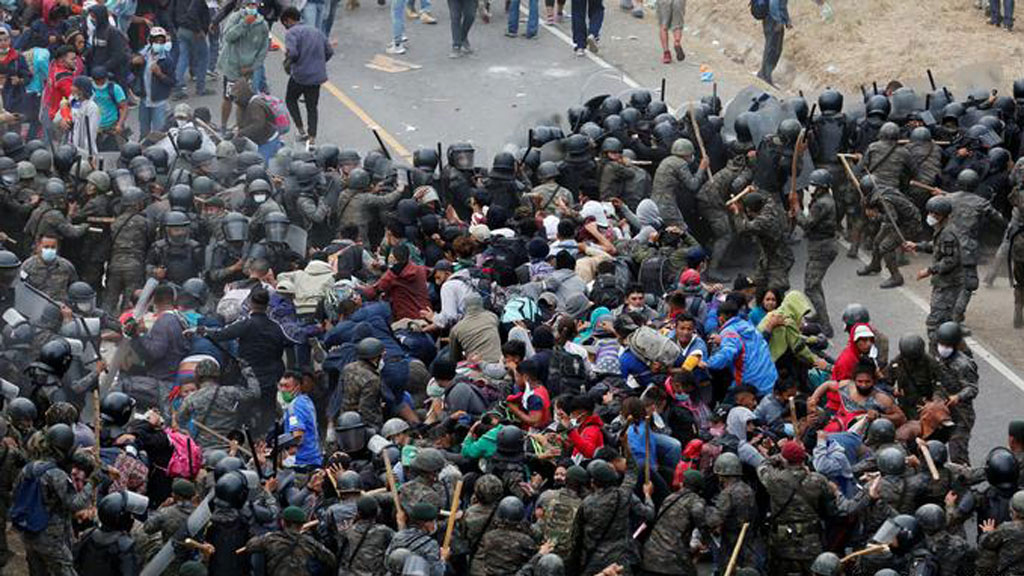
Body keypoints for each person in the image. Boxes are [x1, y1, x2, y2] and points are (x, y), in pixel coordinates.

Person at [902, 195, 963, 345]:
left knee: (935, 325)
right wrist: (917, 246)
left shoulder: (948, 233)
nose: (931, 216)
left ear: (943, 215)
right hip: (944, 283)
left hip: (948, 285)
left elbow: (950, 260)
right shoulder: (942, 229)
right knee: (946, 323)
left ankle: (937, 355)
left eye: (935, 214)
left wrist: (929, 270)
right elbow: (936, 247)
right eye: (930, 213)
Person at [281, 6, 333, 147]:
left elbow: (292, 53)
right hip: (316, 77)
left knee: (290, 99)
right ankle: (312, 138)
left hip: (300, 75)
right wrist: (319, 63)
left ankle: (300, 129)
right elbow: (329, 51)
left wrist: (288, 62)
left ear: (288, 20)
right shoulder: (316, 31)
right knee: (312, 107)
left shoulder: (292, 33)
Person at [218, 0, 270, 129]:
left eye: (254, 5)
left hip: (248, 70)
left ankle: (239, 126)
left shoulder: (262, 24)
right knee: (228, 97)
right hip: (232, 68)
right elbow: (228, 37)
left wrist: (252, 67)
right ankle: (223, 126)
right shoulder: (236, 18)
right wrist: (244, 23)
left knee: (244, 101)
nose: (252, 8)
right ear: (244, 6)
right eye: (249, 5)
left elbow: (263, 49)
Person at [246, 506, 337, 574]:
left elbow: (250, 546)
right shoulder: (309, 542)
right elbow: (331, 559)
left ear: (283, 522)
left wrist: (266, 535)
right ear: (302, 525)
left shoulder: (271, 539)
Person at [135, 27, 176, 139]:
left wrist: (160, 74)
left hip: (159, 102)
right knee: (144, 132)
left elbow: (172, 81)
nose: (158, 44)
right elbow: (132, 71)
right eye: (156, 41)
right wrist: (134, 63)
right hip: (144, 100)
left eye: (161, 41)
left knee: (159, 134)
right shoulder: (143, 55)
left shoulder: (167, 60)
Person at [172, 0, 213, 101]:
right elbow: (192, 14)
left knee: (182, 59)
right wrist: (199, 30)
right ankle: (201, 88)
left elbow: (173, 12)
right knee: (203, 57)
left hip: (182, 28)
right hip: (194, 31)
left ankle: (177, 89)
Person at [757, 0, 789, 86]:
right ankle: (765, 75)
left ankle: (765, 74)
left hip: (773, 19)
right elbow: (773, 3)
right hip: (772, 20)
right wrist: (778, 21)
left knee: (775, 48)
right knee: (772, 48)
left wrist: (786, 20)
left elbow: (782, 5)